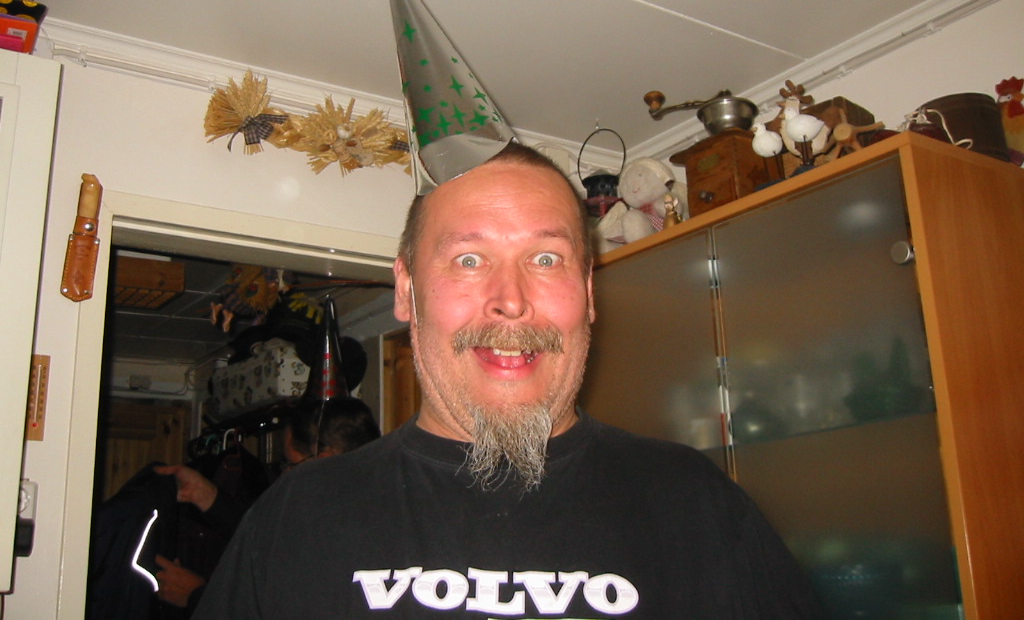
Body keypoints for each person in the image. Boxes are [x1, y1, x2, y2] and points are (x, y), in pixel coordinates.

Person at [193, 143, 825, 618]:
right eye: (469, 259)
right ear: (407, 291)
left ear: (588, 292)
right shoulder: (300, 515)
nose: (511, 301)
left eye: (545, 259)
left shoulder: (694, 503)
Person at [156, 397, 379, 613]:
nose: (285, 475)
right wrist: (207, 497)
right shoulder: (371, 517)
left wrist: (197, 596)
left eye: (290, 464)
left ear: (323, 463)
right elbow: (265, 539)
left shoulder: (334, 543)